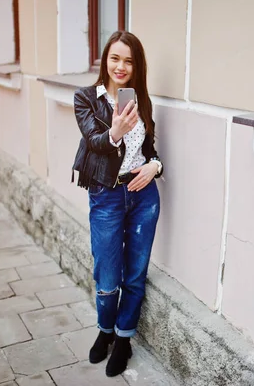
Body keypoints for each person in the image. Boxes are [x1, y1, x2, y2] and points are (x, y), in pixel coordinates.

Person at [71, 30, 163, 377]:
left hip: (143, 197)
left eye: (128, 60)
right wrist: (117, 130)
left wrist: (156, 166)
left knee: (136, 275)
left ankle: (123, 339)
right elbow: (94, 143)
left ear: (136, 65)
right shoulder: (86, 98)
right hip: (106, 196)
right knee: (107, 276)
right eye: (115, 58)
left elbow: (149, 150)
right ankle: (105, 329)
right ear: (105, 60)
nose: (121, 66)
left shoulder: (140, 99)